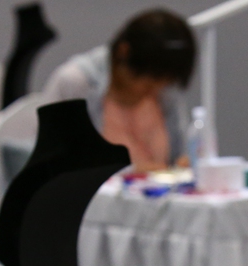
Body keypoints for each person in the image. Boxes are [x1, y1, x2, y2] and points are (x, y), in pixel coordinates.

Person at [41, 9, 195, 172]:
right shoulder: (76, 83)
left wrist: (183, 165)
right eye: (148, 83)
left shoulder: (165, 94)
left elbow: (177, 157)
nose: (153, 91)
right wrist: (129, 173)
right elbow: (52, 163)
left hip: (158, 195)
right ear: (123, 53)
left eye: (164, 84)